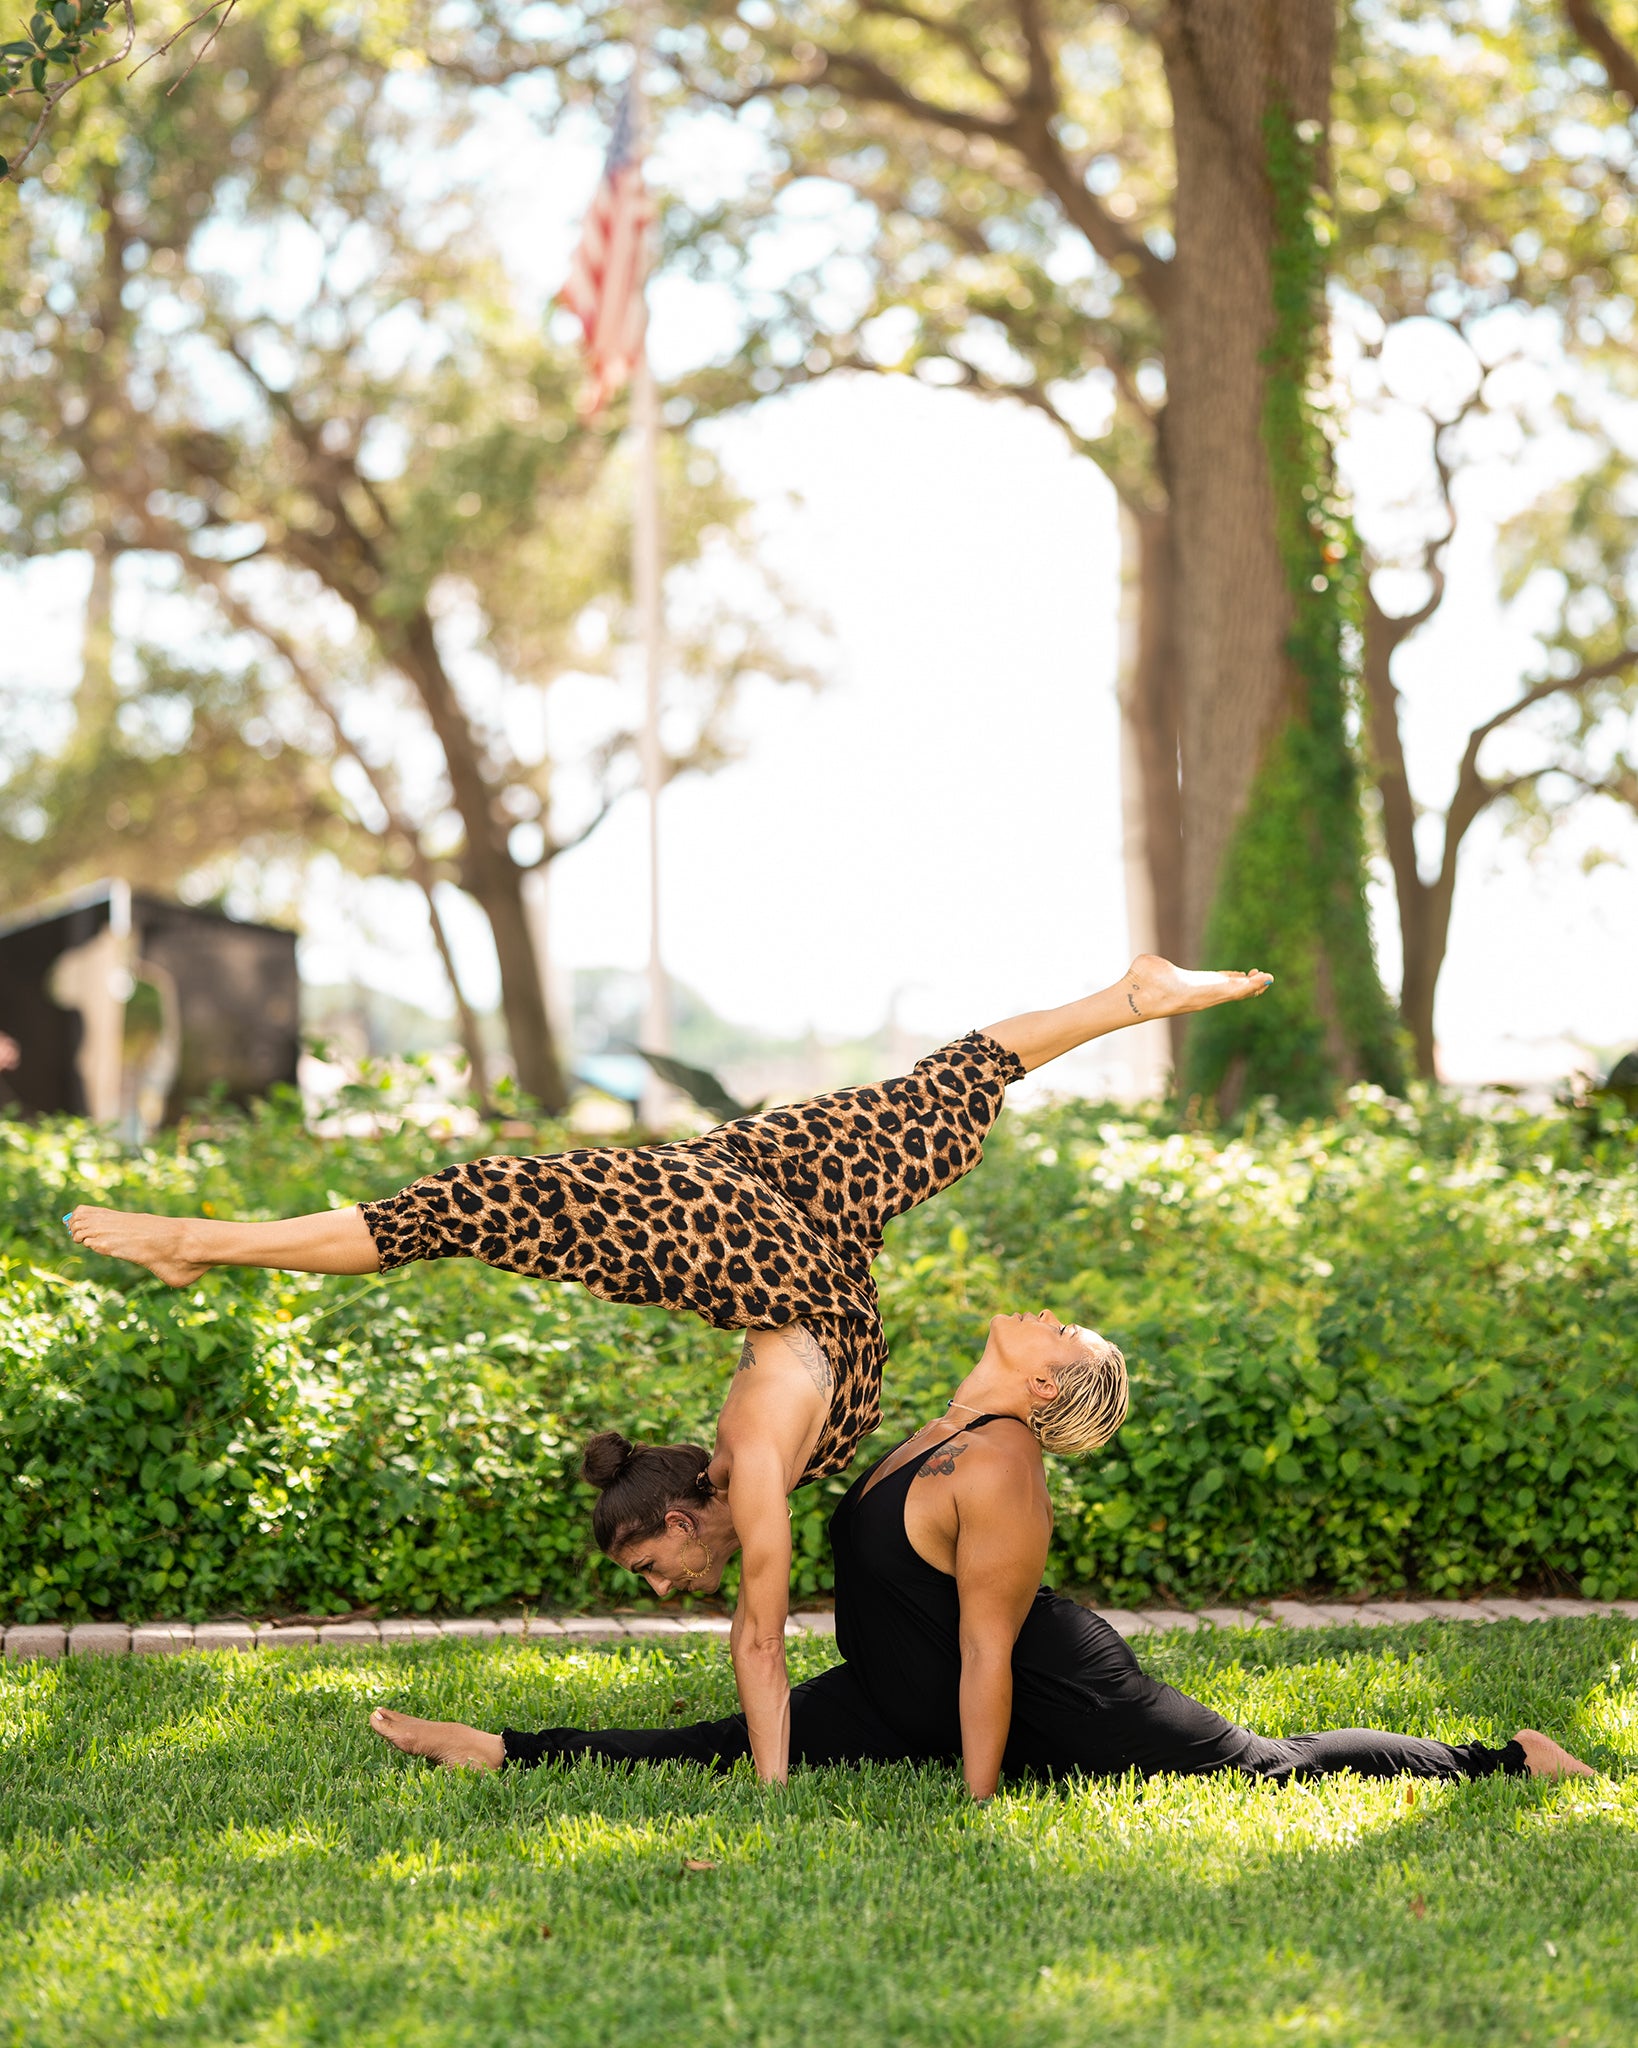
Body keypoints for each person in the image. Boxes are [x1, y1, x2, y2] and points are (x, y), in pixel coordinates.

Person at [67, 954, 1271, 1785]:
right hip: (803, 1276)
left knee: (494, 1200)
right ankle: (1131, 996)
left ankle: (201, 1242)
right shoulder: (777, 1461)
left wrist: (771, 1781)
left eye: (651, 1565)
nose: (662, 1583)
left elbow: (762, 1638)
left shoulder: (757, 1463)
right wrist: (776, 1773)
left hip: (796, 1278)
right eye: (657, 1568)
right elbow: (761, 1634)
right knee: (926, 1097)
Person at [370, 1316, 1594, 1792]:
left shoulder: (1002, 1462)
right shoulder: (941, 1425)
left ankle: (1503, 1758)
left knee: (1258, 1765)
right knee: (721, 1743)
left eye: (1059, 1329)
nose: (1041, 1316)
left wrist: (976, 1797)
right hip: (901, 1685)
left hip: (1062, 1684)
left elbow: (991, 1652)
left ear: (1051, 1375)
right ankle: (507, 1749)